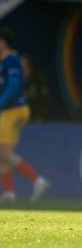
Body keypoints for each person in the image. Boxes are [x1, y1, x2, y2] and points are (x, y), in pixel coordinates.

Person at [0, 29, 49, 202]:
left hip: (13, 110)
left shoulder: (11, 60)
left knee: (2, 150)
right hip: (12, 110)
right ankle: (10, 192)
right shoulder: (5, 62)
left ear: (4, 43)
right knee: (3, 153)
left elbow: (13, 87)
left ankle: (37, 180)